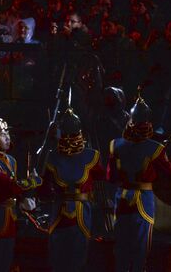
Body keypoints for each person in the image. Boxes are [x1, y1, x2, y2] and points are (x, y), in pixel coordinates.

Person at [107, 90, 171, 272]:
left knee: (121, 246)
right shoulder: (156, 149)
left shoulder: (116, 144)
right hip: (143, 200)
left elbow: (111, 176)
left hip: (122, 198)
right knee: (140, 248)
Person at [0, 103, 42, 272]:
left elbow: (14, 190)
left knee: (5, 261)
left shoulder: (10, 160)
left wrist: (22, 201)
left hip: (9, 218)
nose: (7, 138)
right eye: (3, 135)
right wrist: (32, 182)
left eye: (7, 133)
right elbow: (9, 187)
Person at [42, 106, 106, 272]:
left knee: (63, 257)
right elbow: (104, 176)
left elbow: (43, 191)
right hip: (75, 212)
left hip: (66, 211)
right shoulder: (91, 156)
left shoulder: (52, 156)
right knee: (73, 257)